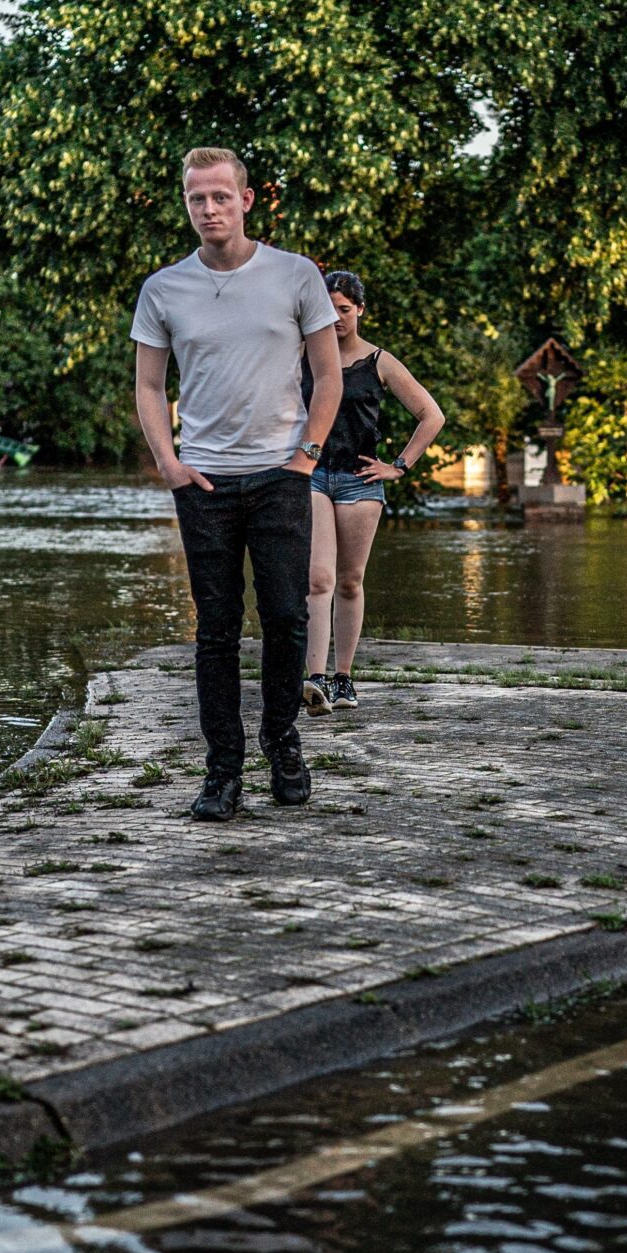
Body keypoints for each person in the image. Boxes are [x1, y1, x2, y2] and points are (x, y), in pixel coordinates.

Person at [132, 146, 344, 822]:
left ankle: (283, 743)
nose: (209, 209)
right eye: (197, 198)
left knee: (286, 618)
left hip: (282, 474)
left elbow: (329, 374)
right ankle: (222, 771)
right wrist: (168, 463)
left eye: (221, 196)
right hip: (205, 483)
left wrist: (308, 456)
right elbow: (148, 383)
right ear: (187, 204)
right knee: (217, 631)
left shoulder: (295, 275)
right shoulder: (164, 288)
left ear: (247, 199)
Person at [299, 270, 446, 714]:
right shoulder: (301, 355)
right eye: (328, 310)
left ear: (360, 310)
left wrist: (398, 465)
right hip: (312, 476)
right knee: (317, 578)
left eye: (344, 309)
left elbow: (431, 416)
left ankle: (343, 678)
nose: (337, 318)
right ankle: (315, 679)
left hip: (359, 480)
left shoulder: (379, 361)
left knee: (349, 581)